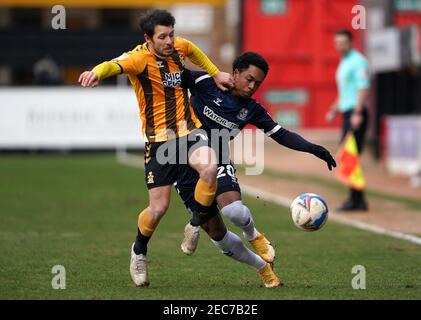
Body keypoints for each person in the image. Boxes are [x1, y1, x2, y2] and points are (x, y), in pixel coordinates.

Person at [78, 9, 280, 289]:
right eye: (162, 37)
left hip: (188, 132)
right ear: (148, 38)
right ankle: (138, 251)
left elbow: (194, 50)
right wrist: (95, 73)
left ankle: (194, 225)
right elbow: (112, 65)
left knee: (209, 166)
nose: (170, 41)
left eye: (171, 34)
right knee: (158, 209)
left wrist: (215, 72)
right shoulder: (138, 58)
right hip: (160, 142)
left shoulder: (178, 48)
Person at [176, 52, 337, 262]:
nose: (252, 86)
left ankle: (253, 235)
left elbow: (281, 134)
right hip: (184, 159)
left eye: (257, 84)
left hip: (217, 158)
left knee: (234, 211)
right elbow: (171, 75)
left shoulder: (252, 109)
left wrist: (313, 148)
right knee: (217, 234)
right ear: (235, 73)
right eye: (249, 79)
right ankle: (261, 266)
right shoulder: (205, 83)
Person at [325, 29, 370, 212]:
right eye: (337, 42)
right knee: (349, 155)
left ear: (351, 42)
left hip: (355, 113)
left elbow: (363, 87)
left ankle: (357, 200)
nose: (339, 46)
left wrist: (357, 113)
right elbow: (346, 92)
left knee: (349, 155)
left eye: (343, 42)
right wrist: (334, 108)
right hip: (348, 112)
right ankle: (357, 199)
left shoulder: (358, 61)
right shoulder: (344, 61)